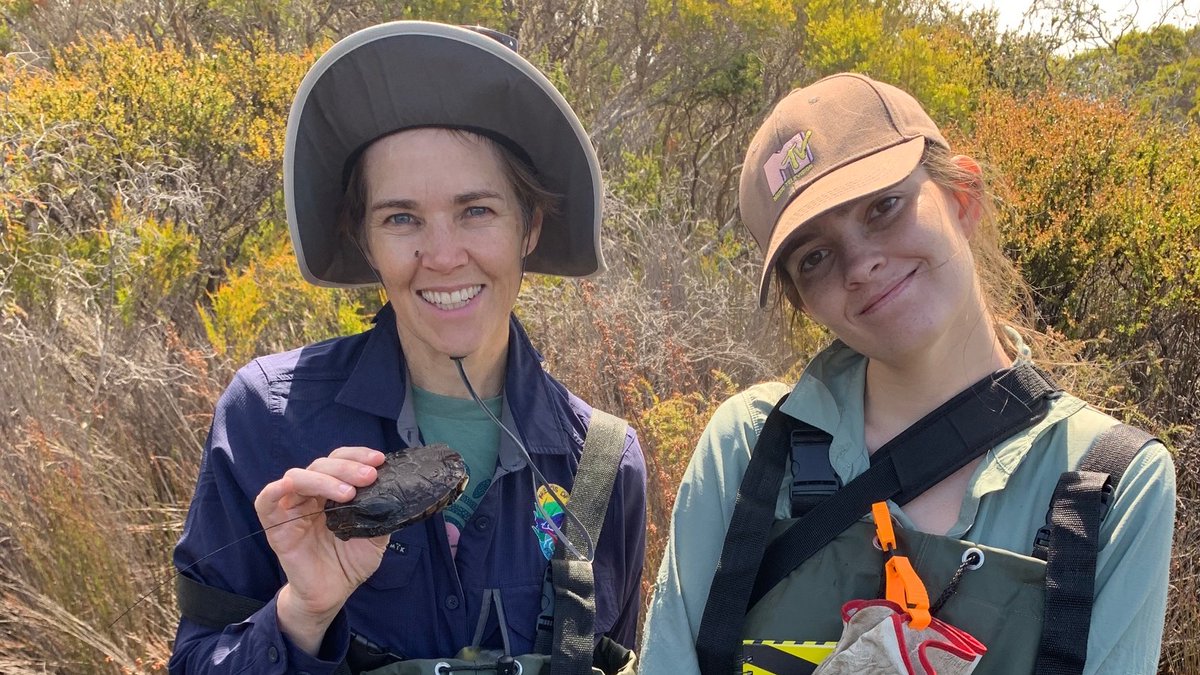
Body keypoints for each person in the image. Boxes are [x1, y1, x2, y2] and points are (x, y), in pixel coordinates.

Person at [640, 73, 1175, 675]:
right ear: (803, 301)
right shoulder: (750, 448)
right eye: (815, 257)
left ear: (962, 198)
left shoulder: (1108, 484)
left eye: (883, 207)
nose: (861, 263)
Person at [169, 21, 646, 675]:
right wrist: (301, 613)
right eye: (401, 218)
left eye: (477, 210)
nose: (444, 256)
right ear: (364, 239)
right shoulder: (267, 422)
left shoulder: (604, 466)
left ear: (529, 225)